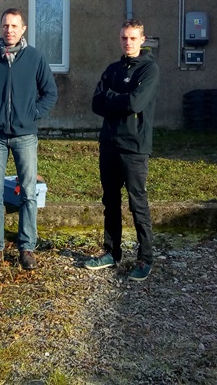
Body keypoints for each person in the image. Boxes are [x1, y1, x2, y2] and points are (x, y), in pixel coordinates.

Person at [0, 8, 58, 271]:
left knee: (28, 193)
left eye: (14, 26)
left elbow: (49, 93)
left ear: (23, 29)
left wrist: (32, 115)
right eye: (6, 25)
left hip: (25, 136)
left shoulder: (35, 58)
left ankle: (27, 248)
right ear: (1, 28)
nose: (10, 30)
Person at [85, 18, 159, 281]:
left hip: (134, 148)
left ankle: (145, 257)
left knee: (137, 202)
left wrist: (113, 98)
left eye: (133, 38)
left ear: (142, 39)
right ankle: (111, 252)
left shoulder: (149, 71)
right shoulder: (113, 69)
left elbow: (136, 103)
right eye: (124, 38)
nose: (128, 42)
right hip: (109, 144)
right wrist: (121, 99)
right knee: (110, 200)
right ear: (120, 39)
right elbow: (96, 103)